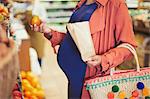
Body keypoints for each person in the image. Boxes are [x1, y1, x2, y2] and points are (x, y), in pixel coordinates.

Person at [31, 0, 137, 98]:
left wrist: (104, 59)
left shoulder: (116, 4)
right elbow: (74, 40)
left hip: (92, 81)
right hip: (74, 79)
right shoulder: (82, 3)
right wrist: (50, 33)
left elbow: (129, 45)